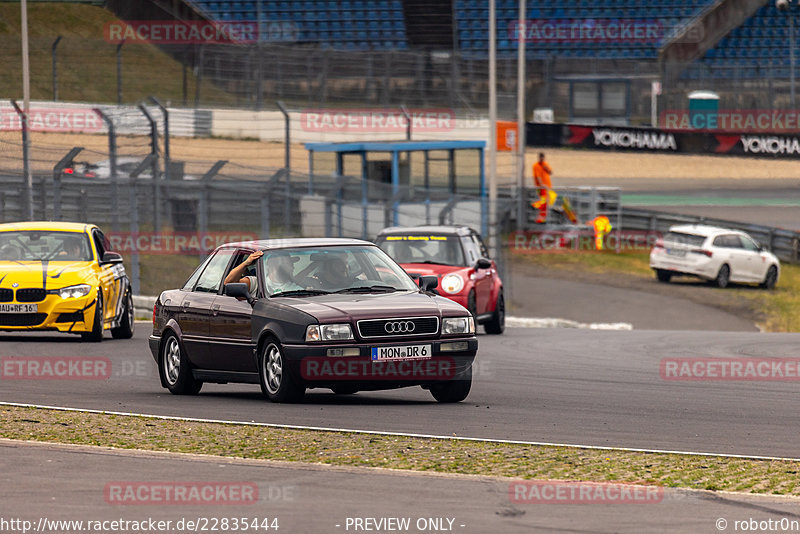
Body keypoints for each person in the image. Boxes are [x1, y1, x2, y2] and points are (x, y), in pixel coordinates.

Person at [532, 152, 555, 224]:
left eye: (543, 158)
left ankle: (541, 219)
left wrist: (547, 168)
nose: (542, 160)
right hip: (541, 188)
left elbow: (551, 172)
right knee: (544, 202)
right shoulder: (536, 165)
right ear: (538, 158)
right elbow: (538, 177)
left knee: (547, 203)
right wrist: (542, 185)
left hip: (547, 187)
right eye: (540, 158)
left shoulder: (545, 164)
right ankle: (535, 205)